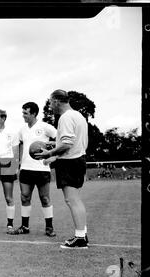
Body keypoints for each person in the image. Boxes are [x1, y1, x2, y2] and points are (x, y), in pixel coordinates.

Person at [35, 90, 89, 249]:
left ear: (57, 101)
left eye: (51, 102)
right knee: (76, 200)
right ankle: (82, 234)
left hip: (71, 163)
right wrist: (55, 155)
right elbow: (72, 143)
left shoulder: (65, 118)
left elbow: (67, 144)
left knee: (72, 200)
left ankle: (80, 239)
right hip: (77, 160)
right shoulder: (78, 116)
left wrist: (49, 153)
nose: (50, 106)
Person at [8, 102, 57, 237]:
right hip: (26, 169)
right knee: (24, 197)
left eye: (26, 113)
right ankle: (24, 227)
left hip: (42, 169)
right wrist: (17, 164)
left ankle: (49, 227)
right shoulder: (22, 130)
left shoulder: (45, 127)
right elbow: (16, 146)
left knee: (45, 198)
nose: (23, 115)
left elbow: (61, 139)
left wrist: (52, 154)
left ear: (34, 113)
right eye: (23, 112)